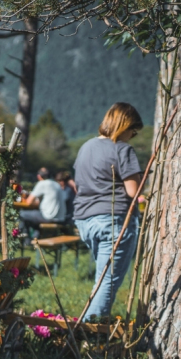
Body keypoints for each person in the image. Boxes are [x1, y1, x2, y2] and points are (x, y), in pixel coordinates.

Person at [73, 102, 143, 321]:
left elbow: (79, 183)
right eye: (134, 130)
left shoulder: (86, 146)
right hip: (113, 219)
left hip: (85, 220)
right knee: (107, 280)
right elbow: (133, 191)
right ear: (126, 126)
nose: (134, 135)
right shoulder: (123, 149)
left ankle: (90, 323)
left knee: (102, 277)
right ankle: (91, 330)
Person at [19, 167, 66, 239]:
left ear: (39, 176)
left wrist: (23, 199)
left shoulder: (42, 183)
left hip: (48, 216)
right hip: (59, 217)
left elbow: (28, 202)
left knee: (21, 214)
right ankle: (34, 238)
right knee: (33, 218)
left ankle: (24, 240)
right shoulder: (56, 184)